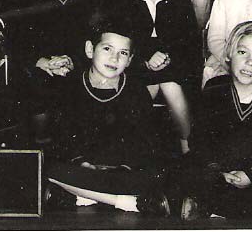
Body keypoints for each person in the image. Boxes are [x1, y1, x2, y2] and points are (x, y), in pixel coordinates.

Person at [44, 15, 171, 217]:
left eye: (123, 53)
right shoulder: (71, 86)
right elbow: (63, 135)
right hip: (83, 168)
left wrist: (123, 167)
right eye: (107, 49)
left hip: (122, 170)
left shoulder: (135, 90)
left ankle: (81, 196)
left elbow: (143, 140)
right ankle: (127, 202)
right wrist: (81, 162)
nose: (114, 59)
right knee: (49, 168)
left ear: (130, 60)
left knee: (158, 172)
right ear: (90, 49)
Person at [181, 21, 252, 220]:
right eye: (243, 53)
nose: (250, 63)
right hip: (218, 171)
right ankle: (221, 205)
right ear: (229, 54)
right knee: (184, 168)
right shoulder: (213, 89)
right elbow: (199, 139)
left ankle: (213, 207)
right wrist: (218, 172)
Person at [112, 0, 201, 155]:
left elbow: (189, 46)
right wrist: (145, 61)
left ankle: (187, 143)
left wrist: (166, 59)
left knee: (170, 83)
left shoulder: (181, 2)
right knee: (146, 86)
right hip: (136, 66)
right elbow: (121, 43)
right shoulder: (123, 1)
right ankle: (132, 146)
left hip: (174, 65)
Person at [9, 0, 99, 143]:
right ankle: (41, 144)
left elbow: (96, 36)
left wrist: (74, 60)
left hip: (78, 65)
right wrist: (41, 62)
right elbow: (16, 39)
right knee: (36, 94)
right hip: (39, 67)